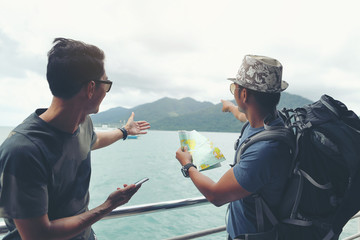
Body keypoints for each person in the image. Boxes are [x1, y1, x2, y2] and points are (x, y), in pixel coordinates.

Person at [0, 38, 150, 240]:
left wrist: (124, 131)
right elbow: (38, 236)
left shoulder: (82, 123)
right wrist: (109, 206)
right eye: (106, 84)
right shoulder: (23, 150)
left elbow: (93, 140)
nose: (106, 92)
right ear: (90, 88)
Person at [176, 55, 291, 239]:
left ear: (243, 94)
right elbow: (242, 116)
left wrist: (187, 165)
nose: (234, 93)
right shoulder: (268, 122)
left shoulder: (266, 150)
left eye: (234, 89)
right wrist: (230, 107)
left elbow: (216, 196)